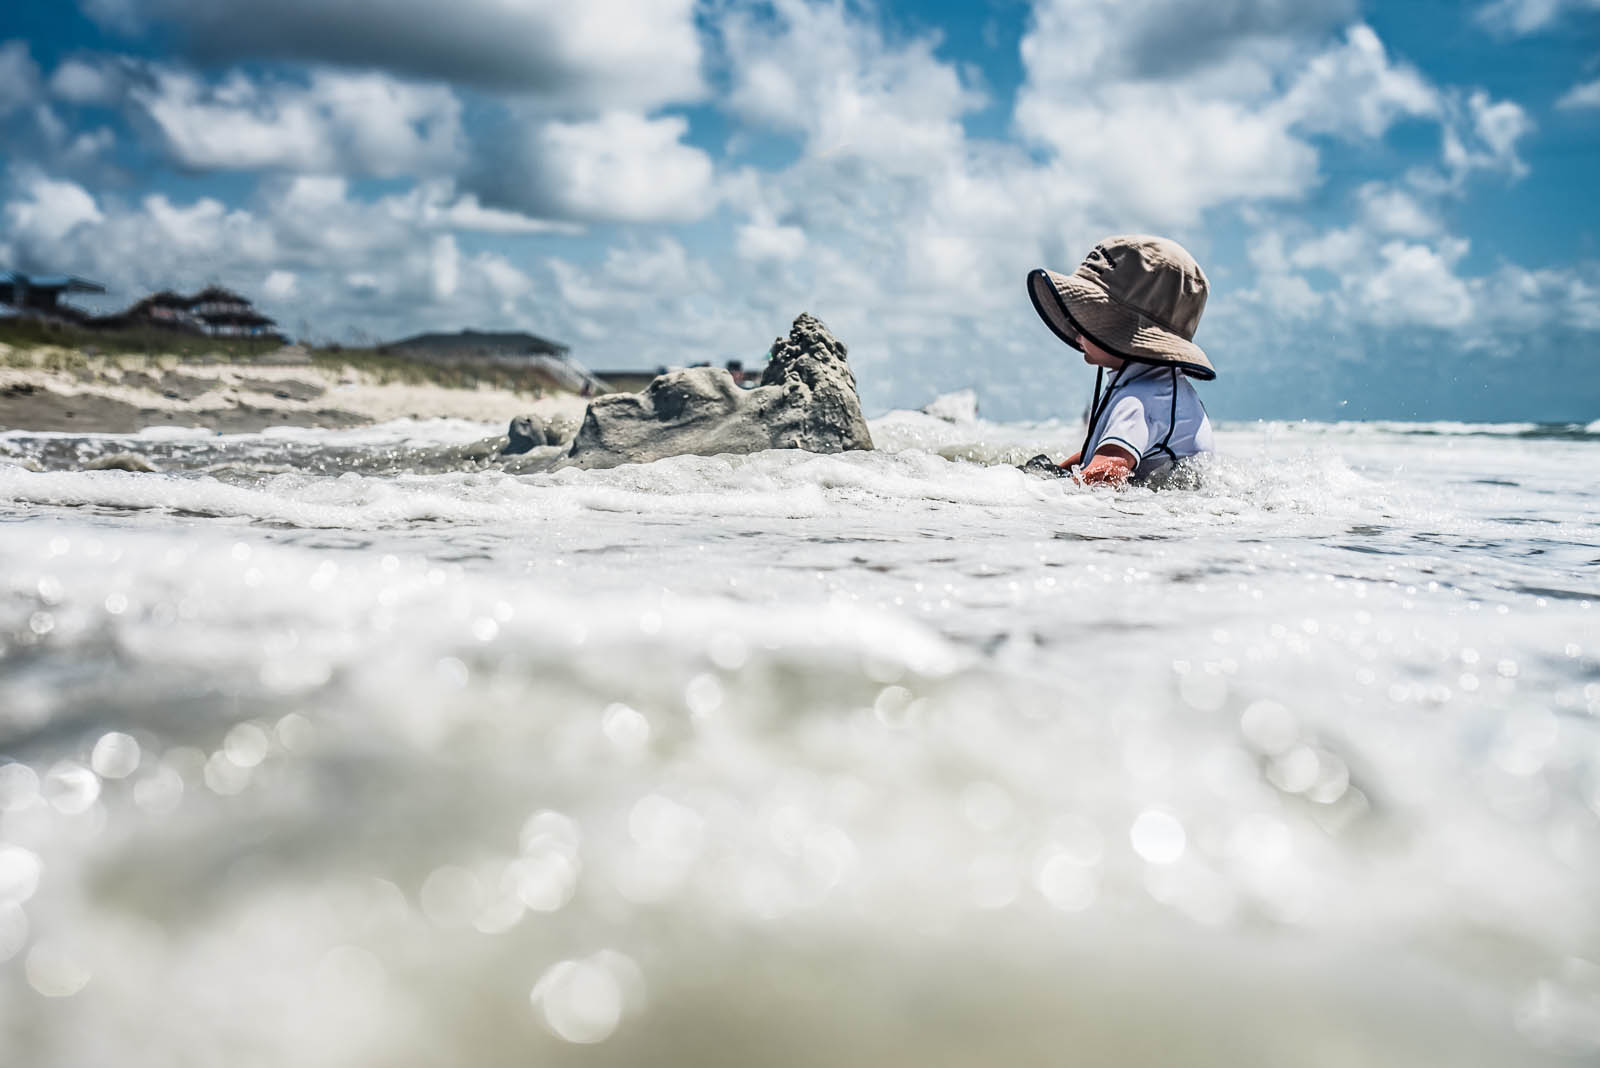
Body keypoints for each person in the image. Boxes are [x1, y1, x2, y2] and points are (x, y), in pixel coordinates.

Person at [1022, 235, 1215, 486]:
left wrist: (1037, 494)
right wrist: (1056, 470)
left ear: (1128, 332)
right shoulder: (1154, 383)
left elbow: (1110, 471)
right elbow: (1109, 450)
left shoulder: (1140, 398)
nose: (1074, 326)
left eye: (1088, 316)